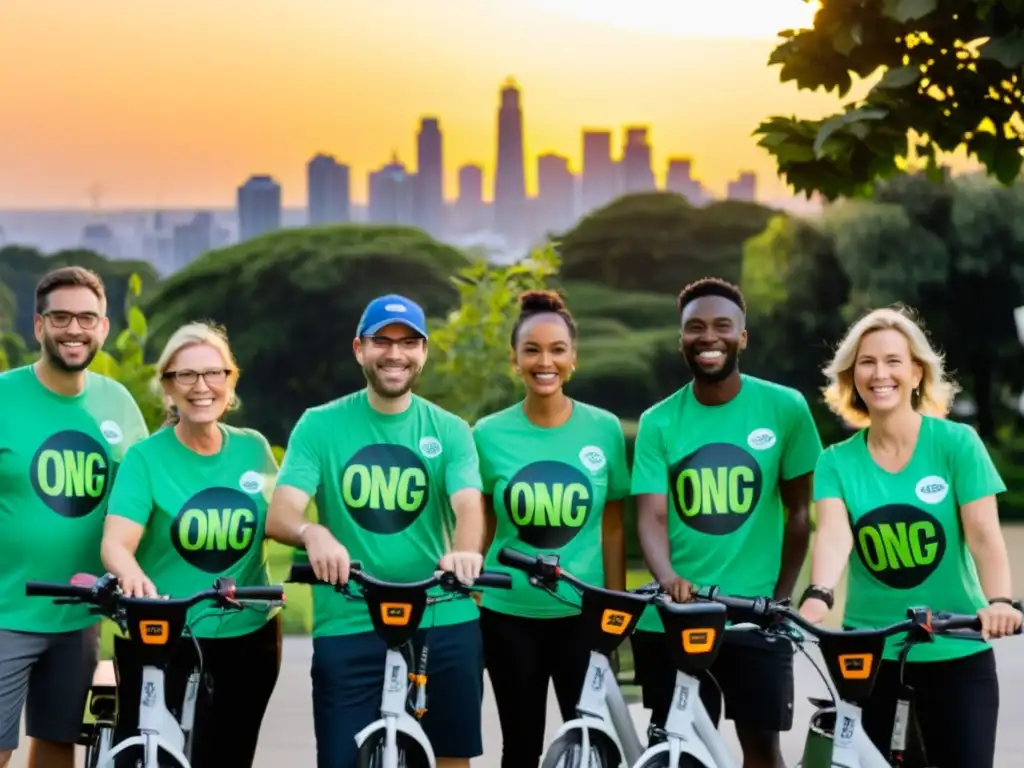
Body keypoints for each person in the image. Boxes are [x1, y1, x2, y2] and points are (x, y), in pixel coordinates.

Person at [265, 294, 487, 768]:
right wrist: (313, 532)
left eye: (409, 342)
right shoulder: (320, 425)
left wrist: (465, 554)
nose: (395, 353)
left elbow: (468, 503)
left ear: (423, 351)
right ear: (358, 349)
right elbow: (281, 513)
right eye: (381, 341)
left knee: (450, 757)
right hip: (349, 618)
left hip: (441, 616)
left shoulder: (449, 430)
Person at [797, 306, 1023, 768]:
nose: (880, 373)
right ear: (852, 376)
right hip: (869, 655)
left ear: (917, 372)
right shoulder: (836, 462)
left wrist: (1001, 601)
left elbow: (984, 536)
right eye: (867, 362)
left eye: (893, 361)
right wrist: (817, 597)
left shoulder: (957, 443)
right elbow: (835, 536)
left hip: (958, 648)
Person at [630, 277, 822, 768]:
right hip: (675, 619)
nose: (708, 337)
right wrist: (668, 579)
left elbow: (800, 513)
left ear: (743, 337)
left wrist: (779, 599)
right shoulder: (658, 421)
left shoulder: (785, 408)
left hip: (756, 618)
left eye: (722, 326)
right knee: (679, 750)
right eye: (694, 327)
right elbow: (650, 516)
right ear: (681, 341)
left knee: (762, 753)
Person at [99, 322, 282, 768]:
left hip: (250, 637)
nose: (201, 387)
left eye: (213, 373)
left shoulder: (254, 448)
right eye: (186, 375)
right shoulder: (146, 458)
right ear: (167, 388)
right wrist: (134, 577)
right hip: (163, 634)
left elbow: (282, 521)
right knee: (154, 756)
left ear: (230, 381)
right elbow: (116, 544)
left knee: (230, 757)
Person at [473, 290, 630, 768]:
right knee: (520, 746)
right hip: (507, 616)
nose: (546, 361)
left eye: (557, 349)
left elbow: (613, 528)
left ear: (573, 358)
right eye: (533, 350)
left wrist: (616, 605)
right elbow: (479, 524)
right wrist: (475, 591)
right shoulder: (487, 434)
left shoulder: (603, 430)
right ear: (515, 360)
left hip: (584, 615)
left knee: (591, 747)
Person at [0, 267, 148, 768]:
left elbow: (143, 498)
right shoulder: (4, 396)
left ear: (104, 328)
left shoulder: (120, 403)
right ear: (39, 325)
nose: (74, 329)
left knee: (59, 743)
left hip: (82, 615)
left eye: (87, 317)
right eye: (61, 317)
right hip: (4, 612)